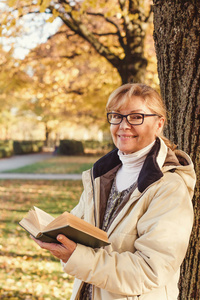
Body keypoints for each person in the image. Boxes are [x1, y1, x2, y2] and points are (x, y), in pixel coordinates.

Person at [31, 83, 196, 300]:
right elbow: (79, 231)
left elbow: (150, 271)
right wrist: (54, 235)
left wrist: (76, 256)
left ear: (159, 124)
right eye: (116, 116)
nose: (123, 125)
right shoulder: (99, 177)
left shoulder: (169, 188)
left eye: (136, 117)